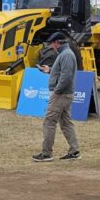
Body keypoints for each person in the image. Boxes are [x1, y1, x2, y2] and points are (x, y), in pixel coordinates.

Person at [33, 32, 80, 162]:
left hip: (61, 94)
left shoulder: (66, 55)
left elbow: (66, 76)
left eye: (52, 44)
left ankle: (46, 153)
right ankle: (74, 150)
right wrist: (50, 69)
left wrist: (57, 91)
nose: (51, 47)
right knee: (66, 123)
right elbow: (63, 72)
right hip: (64, 94)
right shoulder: (66, 54)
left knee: (49, 122)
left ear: (57, 43)